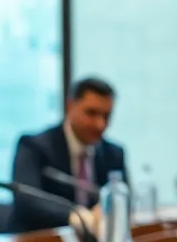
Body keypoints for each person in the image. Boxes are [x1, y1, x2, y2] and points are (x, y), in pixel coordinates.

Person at [10, 77, 127, 231]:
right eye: (91, 113)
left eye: (106, 116)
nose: (100, 124)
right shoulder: (33, 146)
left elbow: (124, 202)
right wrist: (74, 216)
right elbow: (27, 202)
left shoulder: (114, 154)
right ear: (70, 106)